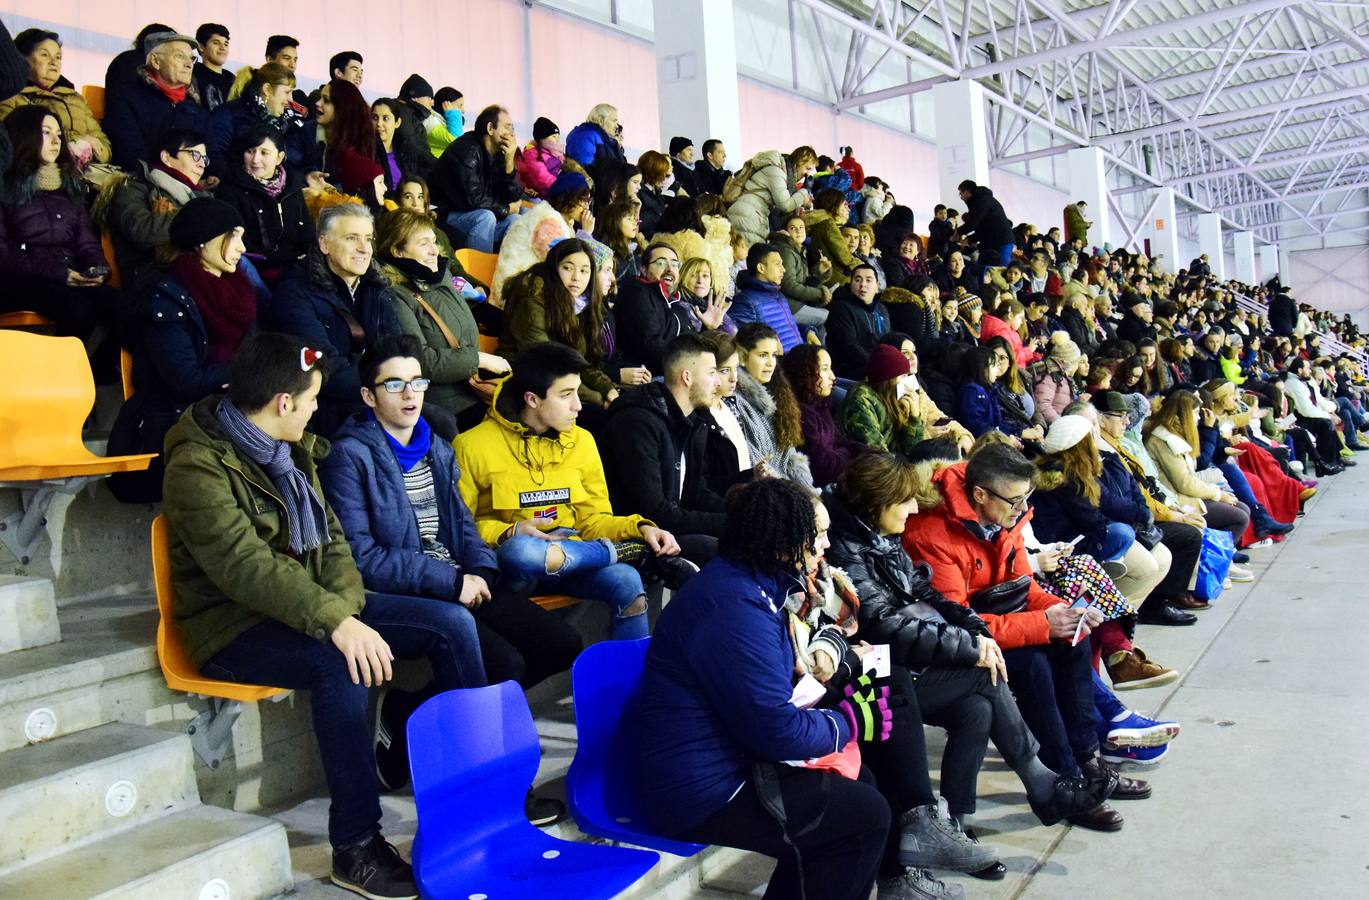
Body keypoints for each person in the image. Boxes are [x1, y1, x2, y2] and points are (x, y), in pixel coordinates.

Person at [163, 332, 483, 900]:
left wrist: (344, 610)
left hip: (312, 604)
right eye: (310, 398)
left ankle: (481, 790)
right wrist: (338, 623)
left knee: (450, 624)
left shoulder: (291, 448)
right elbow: (245, 568)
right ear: (283, 403)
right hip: (231, 624)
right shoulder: (197, 466)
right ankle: (356, 845)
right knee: (340, 664)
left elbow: (334, 543)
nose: (317, 407)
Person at [318, 334, 581, 816]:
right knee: (505, 664)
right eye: (393, 384)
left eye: (416, 381)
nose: (409, 393)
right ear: (368, 396)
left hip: (460, 578)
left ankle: (407, 711)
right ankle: (494, 785)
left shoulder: (435, 445)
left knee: (560, 644)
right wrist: (451, 583)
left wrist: (480, 567)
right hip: (403, 591)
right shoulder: (349, 456)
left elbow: (461, 524)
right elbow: (361, 556)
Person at [825, 454, 1114, 852]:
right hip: (879, 675)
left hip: (914, 656)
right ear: (877, 505)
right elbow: (886, 627)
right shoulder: (852, 548)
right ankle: (1043, 782)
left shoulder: (882, 533)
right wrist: (975, 644)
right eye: (905, 501)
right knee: (989, 675)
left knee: (978, 708)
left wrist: (978, 632)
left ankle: (955, 826)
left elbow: (929, 595)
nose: (914, 507)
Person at [630, 477, 894, 900]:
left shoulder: (750, 587)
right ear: (782, 542)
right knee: (864, 818)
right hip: (700, 790)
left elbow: (766, 699)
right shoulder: (735, 605)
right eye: (817, 535)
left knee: (859, 788)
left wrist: (832, 692)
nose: (825, 545)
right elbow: (775, 730)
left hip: (730, 760)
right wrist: (844, 721)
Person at [900, 444, 1132, 832]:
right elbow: (957, 623)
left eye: (1027, 497)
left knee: (1074, 641)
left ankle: (1087, 760)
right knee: (1032, 665)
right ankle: (1064, 778)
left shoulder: (1005, 514)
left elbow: (1022, 586)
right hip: (957, 642)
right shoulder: (930, 532)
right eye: (1014, 499)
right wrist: (1043, 624)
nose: (1021, 507)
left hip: (997, 622)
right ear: (980, 495)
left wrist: (1062, 610)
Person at [455, 342, 688, 641]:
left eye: (577, 392)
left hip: (575, 559)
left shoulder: (583, 441)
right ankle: (618, 553)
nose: (578, 405)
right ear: (532, 399)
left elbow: (593, 520)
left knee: (627, 580)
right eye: (566, 395)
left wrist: (639, 527)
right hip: (513, 569)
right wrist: (509, 532)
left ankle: (629, 682)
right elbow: (462, 530)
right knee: (521, 549)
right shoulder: (472, 445)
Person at [108, 197, 259, 503]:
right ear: (205, 241)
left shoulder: (237, 293)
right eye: (234, 236)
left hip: (220, 413)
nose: (242, 248)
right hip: (174, 422)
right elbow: (185, 378)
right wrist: (248, 374)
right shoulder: (165, 297)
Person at [376, 209, 509, 432]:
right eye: (423, 243)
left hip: (474, 388)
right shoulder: (395, 296)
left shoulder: (439, 276)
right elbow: (420, 361)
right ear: (397, 251)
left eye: (434, 241)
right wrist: (479, 359)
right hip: (446, 405)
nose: (433, 250)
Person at [272, 203, 399, 433]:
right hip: (328, 409)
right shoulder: (294, 292)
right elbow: (327, 370)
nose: (364, 248)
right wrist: (390, 386)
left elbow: (399, 345)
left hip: (382, 393)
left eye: (368, 238)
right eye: (352, 238)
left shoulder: (377, 285)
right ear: (324, 244)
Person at [603, 334, 727, 559]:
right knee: (727, 548)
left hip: (671, 530)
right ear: (687, 377)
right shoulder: (637, 423)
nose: (718, 382)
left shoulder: (694, 422)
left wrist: (743, 511)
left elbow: (695, 494)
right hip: (640, 537)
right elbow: (653, 512)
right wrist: (731, 522)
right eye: (711, 373)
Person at [0, 107, 117, 340]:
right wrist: (59, 273)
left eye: (59, 135)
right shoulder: (5, 186)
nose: (57, 141)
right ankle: (59, 371)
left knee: (123, 307)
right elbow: (4, 255)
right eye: (46, 133)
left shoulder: (70, 187)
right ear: (25, 135)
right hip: (20, 280)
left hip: (67, 275)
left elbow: (87, 243)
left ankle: (99, 373)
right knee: (78, 311)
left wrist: (96, 268)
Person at [498, 237, 621, 408]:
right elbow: (546, 361)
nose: (576, 277)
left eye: (584, 271)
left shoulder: (577, 303)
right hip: (529, 383)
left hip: (560, 382)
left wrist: (608, 389)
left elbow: (577, 361)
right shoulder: (532, 299)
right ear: (554, 268)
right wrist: (598, 400)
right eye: (567, 268)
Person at [102, 127, 211, 298]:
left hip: (197, 270)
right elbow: (141, 230)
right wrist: (195, 217)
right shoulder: (134, 188)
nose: (202, 164)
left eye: (205, 159)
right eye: (195, 155)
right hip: (152, 276)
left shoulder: (203, 198)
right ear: (166, 157)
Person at [1143, 390, 1254, 559]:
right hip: (1177, 500)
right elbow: (1184, 482)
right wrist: (1218, 494)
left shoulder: (1173, 436)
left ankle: (1221, 555)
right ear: (1184, 415)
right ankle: (1214, 559)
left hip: (1184, 494)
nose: (1198, 418)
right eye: (1195, 413)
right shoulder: (1164, 441)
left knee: (1242, 507)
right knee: (1239, 517)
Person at [213, 124, 314, 280]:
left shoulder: (292, 186)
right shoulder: (230, 190)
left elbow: (306, 233)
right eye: (250, 151)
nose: (255, 160)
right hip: (254, 269)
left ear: (279, 157)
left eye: (264, 153)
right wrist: (288, 260)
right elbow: (241, 244)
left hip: (295, 267)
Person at [0, 28, 112, 165]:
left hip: (87, 178)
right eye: (45, 55)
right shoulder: (12, 96)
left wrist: (95, 151)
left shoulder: (75, 98)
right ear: (23, 59)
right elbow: (13, 145)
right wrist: (76, 142)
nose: (54, 62)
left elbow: (104, 146)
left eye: (58, 57)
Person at [104, 31, 210, 172]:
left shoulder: (196, 109)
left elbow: (209, 153)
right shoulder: (125, 97)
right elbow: (129, 154)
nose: (189, 64)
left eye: (191, 59)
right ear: (155, 61)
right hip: (143, 184)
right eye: (179, 56)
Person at [490, 170, 593, 305]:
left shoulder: (562, 221)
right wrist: (586, 234)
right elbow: (565, 265)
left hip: (527, 291)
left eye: (588, 200)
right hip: (514, 298)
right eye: (583, 200)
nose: (587, 206)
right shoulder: (547, 222)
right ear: (568, 198)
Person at [430, 104, 523, 252]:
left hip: (477, 212)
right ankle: (478, 271)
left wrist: (510, 161)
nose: (512, 133)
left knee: (516, 220)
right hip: (446, 213)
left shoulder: (501, 154)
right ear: (490, 128)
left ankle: (508, 272)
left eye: (512, 128)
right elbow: (473, 199)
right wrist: (505, 209)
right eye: (507, 127)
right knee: (485, 218)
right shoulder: (466, 151)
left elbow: (513, 195)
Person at [205, 64, 317, 183]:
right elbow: (215, 156)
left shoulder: (288, 123)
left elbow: (296, 162)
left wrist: (308, 174)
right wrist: (242, 186)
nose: (291, 100)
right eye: (287, 92)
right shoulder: (229, 114)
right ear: (267, 89)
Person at [734, 323, 814, 488]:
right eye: (763, 355)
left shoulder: (777, 392)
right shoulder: (736, 401)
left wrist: (807, 490)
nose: (771, 363)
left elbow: (789, 456)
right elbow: (756, 462)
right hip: (769, 491)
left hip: (789, 487)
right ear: (742, 357)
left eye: (774, 355)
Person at [783, 344, 865, 487]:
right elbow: (824, 468)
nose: (833, 377)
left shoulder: (819, 404)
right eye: (825, 369)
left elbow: (838, 441)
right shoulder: (800, 413)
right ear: (805, 372)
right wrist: (852, 455)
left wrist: (862, 451)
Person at [840, 343, 925, 458]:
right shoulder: (861, 402)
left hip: (893, 464)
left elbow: (910, 451)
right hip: (873, 470)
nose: (907, 382)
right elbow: (878, 454)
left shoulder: (893, 397)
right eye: (903, 376)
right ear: (888, 380)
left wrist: (914, 418)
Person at [726, 147, 814, 245]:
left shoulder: (779, 171)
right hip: (748, 216)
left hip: (750, 213)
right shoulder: (776, 172)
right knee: (749, 254)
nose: (807, 174)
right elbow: (785, 205)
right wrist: (804, 191)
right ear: (799, 162)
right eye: (807, 168)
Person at [317, 79, 384, 205]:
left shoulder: (368, 142)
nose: (318, 103)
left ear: (341, 107)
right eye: (320, 98)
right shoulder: (307, 133)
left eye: (326, 100)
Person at [731, 242, 803, 351]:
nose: (783, 269)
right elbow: (741, 341)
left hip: (798, 359)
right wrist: (771, 342)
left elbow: (786, 329)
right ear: (761, 268)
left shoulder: (779, 295)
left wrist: (807, 331)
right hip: (778, 365)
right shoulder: (745, 300)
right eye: (777, 264)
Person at [827, 264, 892, 380]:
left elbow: (890, 339)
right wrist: (879, 365)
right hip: (851, 370)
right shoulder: (841, 309)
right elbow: (850, 347)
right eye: (857, 280)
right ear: (851, 284)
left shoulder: (882, 309)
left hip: (879, 366)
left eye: (868, 280)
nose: (863, 285)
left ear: (877, 286)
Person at [770, 214, 830, 313]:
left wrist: (819, 273)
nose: (798, 231)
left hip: (797, 303)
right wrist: (819, 294)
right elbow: (788, 285)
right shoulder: (787, 252)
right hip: (787, 305)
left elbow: (803, 282)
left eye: (801, 227)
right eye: (793, 228)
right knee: (826, 316)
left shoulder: (799, 251)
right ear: (786, 232)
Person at [371, 96, 433, 193]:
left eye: (385, 118)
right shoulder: (366, 152)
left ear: (397, 123)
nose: (379, 123)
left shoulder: (405, 151)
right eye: (375, 118)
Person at [564, 103, 626, 190]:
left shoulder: (602, 138)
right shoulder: (584, 136)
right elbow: (585, 171)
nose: (617, 125)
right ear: (601, 120)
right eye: (614, 121)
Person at [805, 188, 860, 286]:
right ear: (834, 205)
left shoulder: (820, 222)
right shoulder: (828, 224)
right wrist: (863, 267)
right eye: (844, 204)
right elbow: (844, 257)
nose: (847, 208)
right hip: (836, 279)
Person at [956, 180, 1014, 267]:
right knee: (981, 270)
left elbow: (973, 224)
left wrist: (957, 232)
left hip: (1002, 241)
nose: (960, 197)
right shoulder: (979, 202)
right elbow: (984, 228)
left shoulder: (982, 201)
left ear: (967, 192)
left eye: (961, 194)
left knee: (1002, 270)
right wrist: (970, 239)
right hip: (989, 242)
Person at [514, 116, 563, 197]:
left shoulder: (557, 153)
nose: (557, 140)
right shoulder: (531, 154)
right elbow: (542, 179)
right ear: (542, 139)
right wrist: (564, 186)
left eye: (558, 137)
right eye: (554, 137)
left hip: (556, 190)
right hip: (542, 194)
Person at [191, 23, 233, 111]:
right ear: (201, 47)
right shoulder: (192, 75)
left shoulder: (233, 79)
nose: (222, 48)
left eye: (226, 44)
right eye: (216, 43)